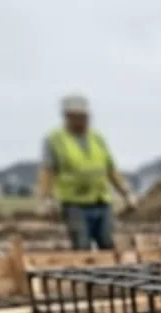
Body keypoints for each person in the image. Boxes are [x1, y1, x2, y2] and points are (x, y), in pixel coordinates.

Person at [37, 94, 136, 252]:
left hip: (101, 200)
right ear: (68, 117)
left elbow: (110, 169)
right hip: (75, 204)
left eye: (85, 117)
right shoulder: (54, 140)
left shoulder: (97, 138)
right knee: (82, 246)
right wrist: (45, 199)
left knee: (107, 244)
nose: (83, 121)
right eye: (78, 117)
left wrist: (126, 192)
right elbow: (47, 171)